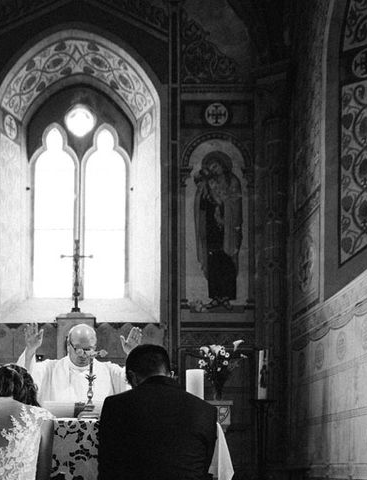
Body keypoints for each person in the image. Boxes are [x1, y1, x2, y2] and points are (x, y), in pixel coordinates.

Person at [98, 344, 217, 480]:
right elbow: (202, 468)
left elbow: (106, 467)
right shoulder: (206, 410)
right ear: (170, 375)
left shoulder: (115, 405)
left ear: (133, 377)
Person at [17, 323, 142, 404]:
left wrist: (132, 354)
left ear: (95, 346)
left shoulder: (109, 371)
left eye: (89, 349)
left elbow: (132, 385)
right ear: (68, 345)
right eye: (78, 349)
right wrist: (30, 350)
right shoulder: (50, 369)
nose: (83, 354)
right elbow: (24, 379)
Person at [194, 151, 243, 309]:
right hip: (212, 229)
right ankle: (215, 297)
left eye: (215, 166)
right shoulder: (208, 183)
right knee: (213, 261)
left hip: (228, 229)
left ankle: (227, 298)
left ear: (222, 165)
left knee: (227, 261)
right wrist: (205, 194)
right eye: (211, 167)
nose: (214, 169)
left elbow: (236, 203)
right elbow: (201, 204)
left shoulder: (232, 181)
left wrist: (224, 207)